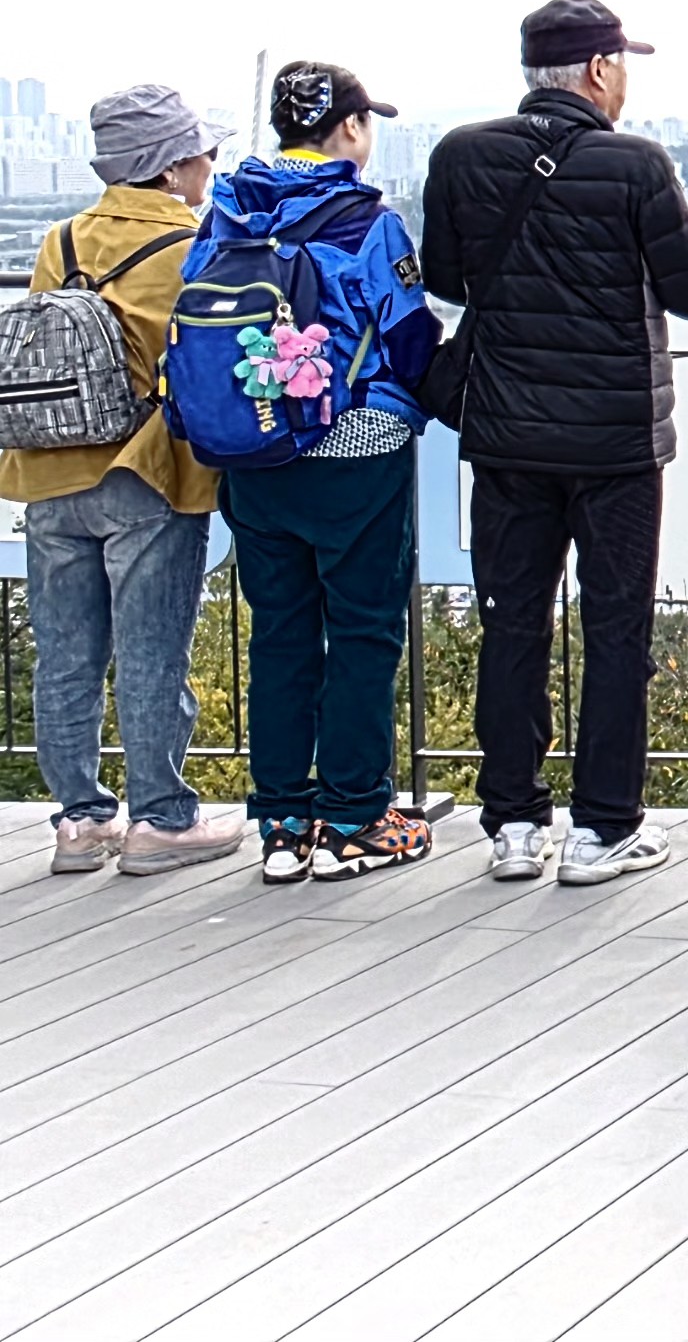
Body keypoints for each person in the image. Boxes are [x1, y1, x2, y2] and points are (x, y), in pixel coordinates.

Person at [420, 0, 688, 887]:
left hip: (506, 440)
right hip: (615, 447)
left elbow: (449, 278)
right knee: (614, 632)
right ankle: (603, 828)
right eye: (623, 63)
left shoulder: (459, 154)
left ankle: (513, 824)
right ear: (600, 70)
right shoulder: (635, 163)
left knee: (512, 626)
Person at [208, 62, 445, 883]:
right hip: (356, 451)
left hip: (253, 446)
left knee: (279, 633)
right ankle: (354, 817)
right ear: (348, 127)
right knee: (363, 632)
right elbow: (408, 338)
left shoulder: (228, 211)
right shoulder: (367, 222)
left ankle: (282, 822)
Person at [4, 87, 242, 876]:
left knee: (66, 655)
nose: (211, 166)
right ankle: (162, 820)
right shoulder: (195, 245)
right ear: (170, 168)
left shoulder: (63, 239)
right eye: (204, 153)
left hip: (48, 469)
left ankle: (80, 820)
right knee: (150, 655)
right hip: (147, 471)